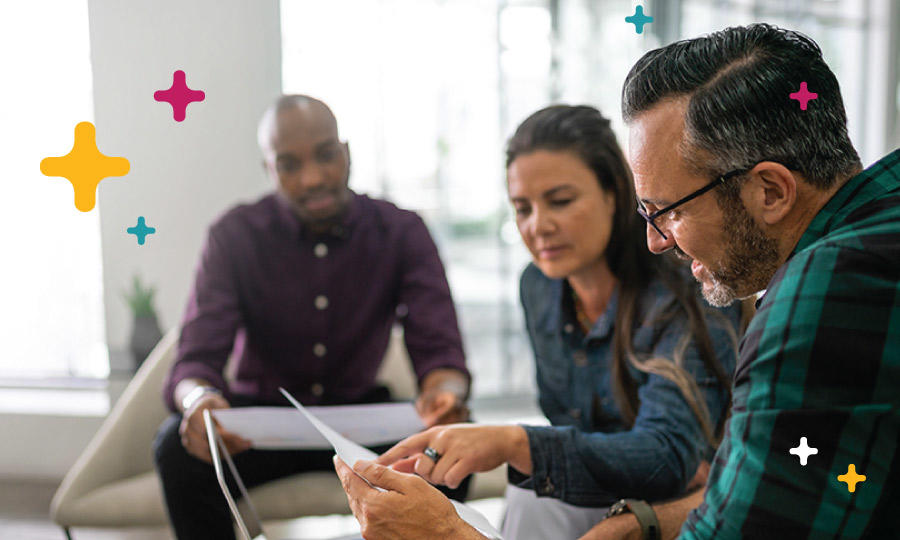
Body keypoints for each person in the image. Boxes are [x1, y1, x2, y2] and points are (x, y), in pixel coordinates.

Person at [334, 105, 743, 540]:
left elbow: (667, 458)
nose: (538, 226)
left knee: (533, 495)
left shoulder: (687, 286)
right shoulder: (540, 289)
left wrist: (514, 442)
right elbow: (576, 427)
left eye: (561, 201)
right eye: (521, 207)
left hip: (692, 503)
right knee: (530, 497)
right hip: (607, 493)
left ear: (615, 195)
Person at [582, 23, 900, 539]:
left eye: (666, 211)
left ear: (770, 191)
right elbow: (809, 475)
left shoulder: (819, 293)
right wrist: (647, 522)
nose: (656, 241)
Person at [153, 94, 472, 540]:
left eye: (326, 156)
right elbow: (195, 360)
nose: (313, 179)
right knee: (176, 448)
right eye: (289, 164)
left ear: (346, 153)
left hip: (360, 415)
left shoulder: (401, 231)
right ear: (269, 170)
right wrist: (198, 403)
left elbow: (439, 347)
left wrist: (444, 393)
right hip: (258, 425)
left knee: (454, 442)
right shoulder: (233, 235)